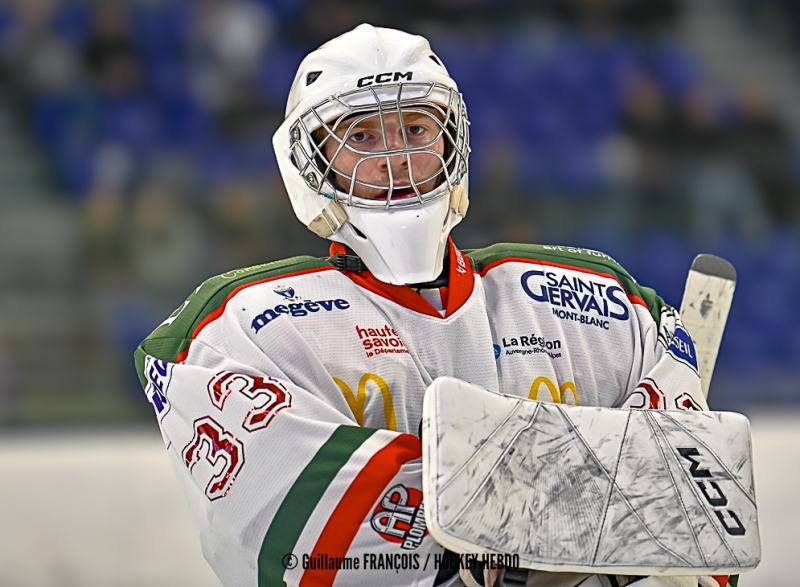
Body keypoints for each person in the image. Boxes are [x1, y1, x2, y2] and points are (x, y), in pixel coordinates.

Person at [135, 25, 730, 587]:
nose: (395, 158)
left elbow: (702, 508)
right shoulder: (239, 324)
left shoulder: (601, 302)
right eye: (361, 136)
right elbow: (292, 541)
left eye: (415, 129)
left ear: (452, 140)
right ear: (309, 162)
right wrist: (589, 525)